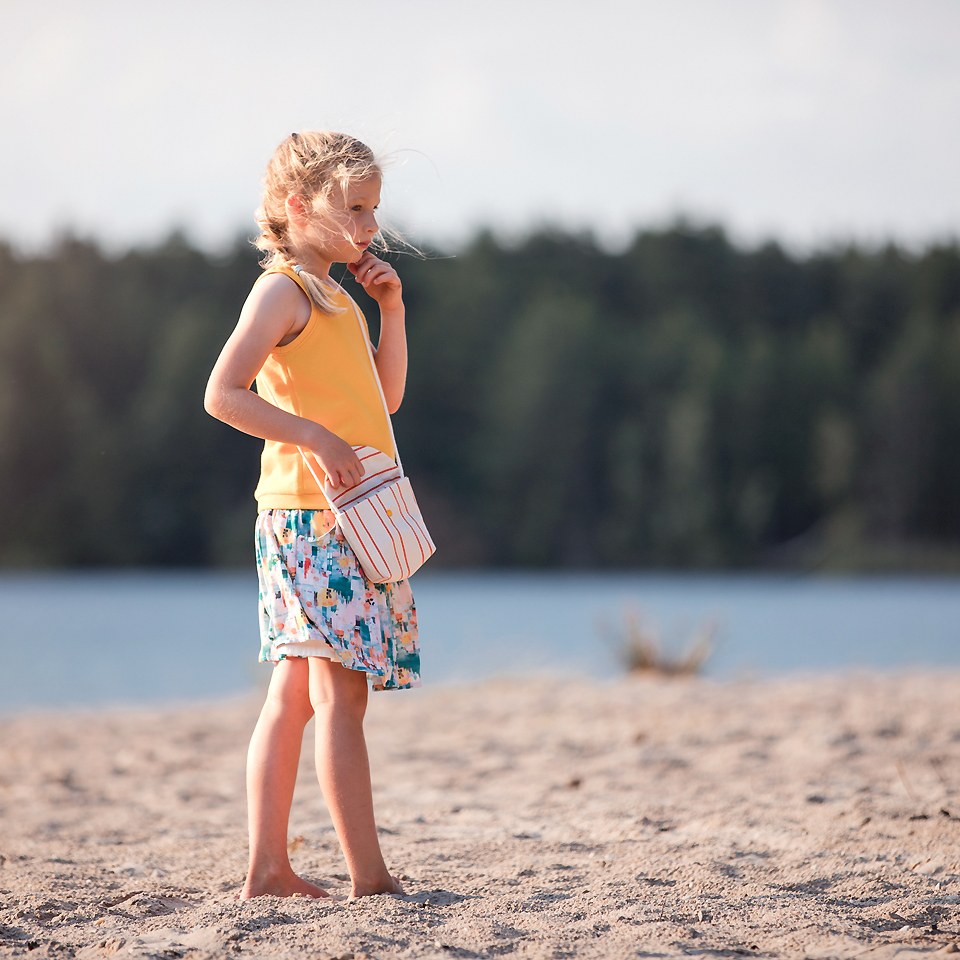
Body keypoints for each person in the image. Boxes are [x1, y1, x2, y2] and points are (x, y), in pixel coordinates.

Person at [204, 131, 419, 900]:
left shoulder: (336, 297)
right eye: (354, 208)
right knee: (340, 697)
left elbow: (386, 400)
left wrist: (391, 310)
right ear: (298, 208)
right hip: (311, 517)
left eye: (374, 210)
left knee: (296, 695)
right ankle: (370, 877)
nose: (370, 226)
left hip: (342, 516)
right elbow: (223, 395)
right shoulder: (282, 291)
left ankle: (269, 868)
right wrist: (313, 436)